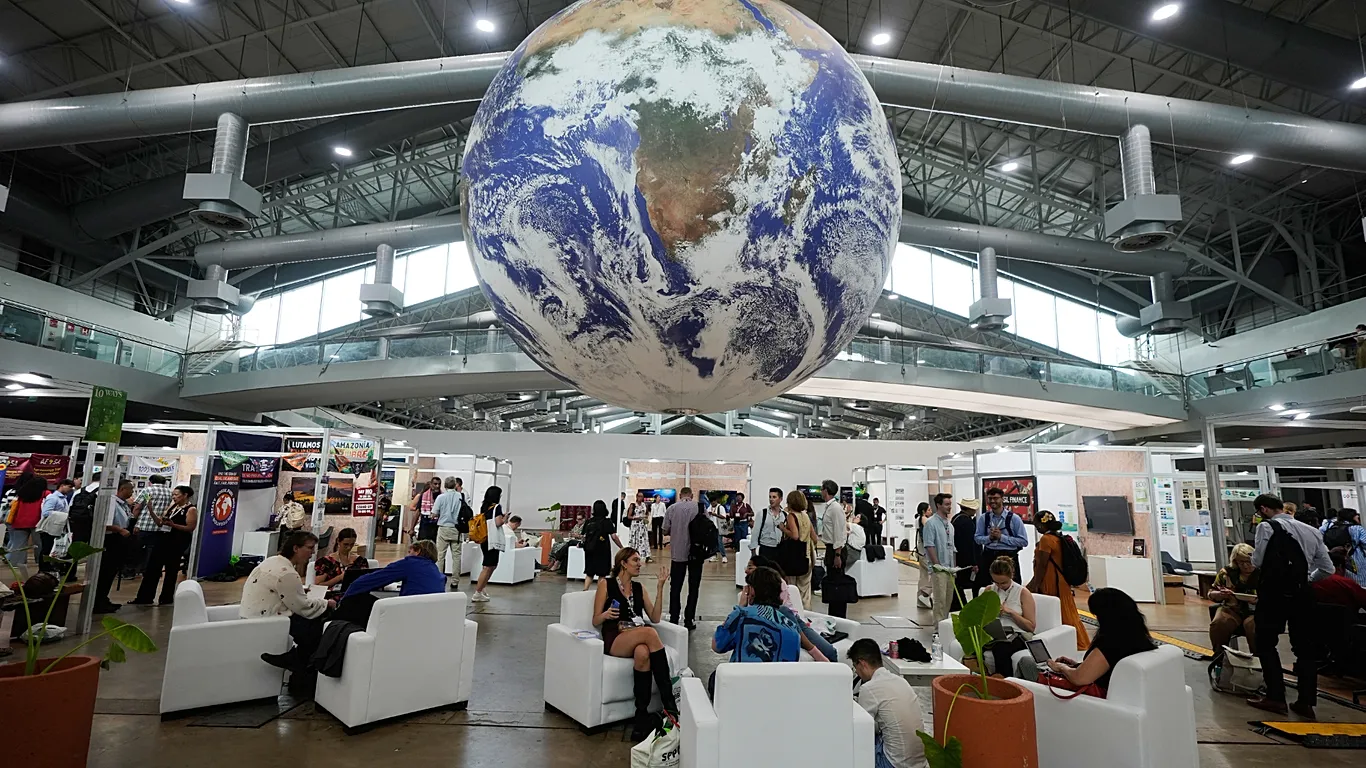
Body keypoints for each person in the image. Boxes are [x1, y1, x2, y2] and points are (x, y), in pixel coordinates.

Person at [1246, 493, 1333, 719]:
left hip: (1274, 593)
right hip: (1303, 594)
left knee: (1266, 642)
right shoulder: (1312, 530)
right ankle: (1306, 702)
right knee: (1305, 648)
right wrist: (1305, 579)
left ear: (1263, 509)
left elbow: (1257, 561)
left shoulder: (1266, 527)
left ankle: (1275, 697)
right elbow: (1328, 569)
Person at [594, 547, 673, 739]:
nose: (640, 564)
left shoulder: (639, 588)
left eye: (639, 560)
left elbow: (655, 617)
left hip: (636, 635)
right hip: (615, 637)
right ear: (623, 563)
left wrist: (660, 588)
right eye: (635, 560)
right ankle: (670, 705)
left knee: (643, 653)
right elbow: (595, 620)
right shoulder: (606, 584)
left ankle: (641, 716)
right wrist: (605, 614)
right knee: (649, 633)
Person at [245, 531, 336, 681]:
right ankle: (300, 664)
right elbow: (303, 607)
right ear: (296, 548)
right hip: (270, 619)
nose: (313, 553)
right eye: (309, 548)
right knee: (320, 625)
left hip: (254, 614)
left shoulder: (271, 561)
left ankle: (299, 662)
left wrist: (299, 591)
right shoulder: (287, 573)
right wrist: (326, 603)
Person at [1042, 587, 1156, 695]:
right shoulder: (1137, 637)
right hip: (1124, 694)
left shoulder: (1109, 643)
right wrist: (1077, 665)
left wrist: (1061, 668)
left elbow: (1079, 678)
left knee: (1034, 670)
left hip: (1097, 699)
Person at [713, 566, 817, 673]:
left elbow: (717, 646)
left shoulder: (741, 616)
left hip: (741, 680)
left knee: (715, 676)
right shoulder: (792, 628)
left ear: (752, 591)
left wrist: (740, 607)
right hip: (777, 682)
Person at [848, 639, 929, 768]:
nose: (856, 672)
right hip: (919, 762)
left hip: (894, 764)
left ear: (862, 663)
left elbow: (863, 729)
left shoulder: (868, 688)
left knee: (851, 743)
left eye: (855, 667)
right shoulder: (900, 681)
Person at [744, 555, 833, 662]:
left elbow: (781, 613)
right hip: (772, 624)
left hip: (788, 620)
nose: (746, 571)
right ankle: (814, 651)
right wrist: (743, 603)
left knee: (829, 651)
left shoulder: (777, 583)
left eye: (750, 567)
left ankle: (818, 655)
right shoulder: (749, 589)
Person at [337, 539, 446, 624]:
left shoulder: (410, 563)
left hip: (407, 615)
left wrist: (347, 594)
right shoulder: (437, 572)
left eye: (410, 552)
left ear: (417, 551)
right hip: (428, 616)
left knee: (357, 600)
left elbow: (374, 579)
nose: (407, 555)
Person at [1026, 511, 1089, 648]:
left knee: (1054, 612)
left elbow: (1042, 566)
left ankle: (1069, 642)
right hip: (1061, 582)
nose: (1036, 528)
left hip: (1051, 582)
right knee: (1067, 610)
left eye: (1036, 525)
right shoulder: (1058, 537)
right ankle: (1076, 640)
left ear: (1041, 525)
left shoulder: (1046, 539)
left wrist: (1034, 584)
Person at [130, 484, 198, 606]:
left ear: (185, 495)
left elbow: (190, 527)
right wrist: (151, 511)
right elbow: (160, 523)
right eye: (173, 495)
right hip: (162, 538)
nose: (174, 497)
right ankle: (145, 597)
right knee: (152, 568)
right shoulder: (172, 507)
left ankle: (166, 598)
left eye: (176, 495)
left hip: (177, 542)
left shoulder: (191, 509)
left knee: (171, 570)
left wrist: (173, 525)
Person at [982, 556, 1036, 675]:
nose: (1000, 586)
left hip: (1018, 634)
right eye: (996, 582)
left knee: (1001, 648)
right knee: (974, 645)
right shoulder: (989, 590)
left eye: (1003, 583)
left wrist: (1010, 612)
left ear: (1011, 575)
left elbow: (1031, 627)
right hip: (994, 633)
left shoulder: (1023, 593)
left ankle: (1005, 681)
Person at [91, 480, 137, 614]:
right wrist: (119, 529)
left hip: (119, 540)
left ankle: (103, 598)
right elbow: (104, 522)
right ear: (122, 489)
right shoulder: (111, 502)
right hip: (110, 540)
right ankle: (98, 602)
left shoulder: (123, 504)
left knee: (111, 571)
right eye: (130, 489)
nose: (132, 492)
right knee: (105, 571)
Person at [662, 486, 704, 629]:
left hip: (678, 553)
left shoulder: (671, 508)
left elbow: (665, 530)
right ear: (691, 495)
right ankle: (689, 619)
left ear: (680, 495)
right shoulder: (699, 507)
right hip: (696, 553)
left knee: (675, 587)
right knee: (694, 587)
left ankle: (674, 618)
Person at [1207, 542, 1259, 655]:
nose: (1245, 566)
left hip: (1257, 611)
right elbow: (1211, 593)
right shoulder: (1226, 573)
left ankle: (1259, 658)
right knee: (1219, 623)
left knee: (1253, 626)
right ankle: (1219, 656)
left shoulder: (1263, 573)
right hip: (1232, 609)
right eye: (1241, 562)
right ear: (1235, 562)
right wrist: (1219, 594)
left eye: (1248, 562)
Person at [974, 487, 1027, 587]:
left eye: (995, 498)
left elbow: (1023, 541)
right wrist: (989, 538)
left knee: (1011, 587)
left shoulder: (1014, 518)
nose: (992, 501)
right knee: (986, 587)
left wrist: (1001, 537)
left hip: (1008, 557)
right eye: (990, 498)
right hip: (989, 556)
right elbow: (977, 538)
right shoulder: (984, 518)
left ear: (1002, 499)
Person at [817, 479, 849, 618]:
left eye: (821, 489)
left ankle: (839, 615)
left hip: (836, 550)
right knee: (832, 583)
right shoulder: (829, 507)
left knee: (837, 585)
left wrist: (837, 555)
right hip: (831, 549)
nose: (820, 491)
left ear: (826, 490)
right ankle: (833, 614)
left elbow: (839, 532)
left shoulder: (835, 508)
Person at [129, 474, 173, 576]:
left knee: (137, 549)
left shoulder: (148, 490)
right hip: (160, 526)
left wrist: (133, 522)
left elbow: (138, 507)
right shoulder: (169, 492)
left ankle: (132, 571)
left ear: (151, 481)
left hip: (144, 524)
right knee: (152, 550)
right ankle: (148, 571)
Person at [922, 493, 956, 625]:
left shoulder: (950, 525)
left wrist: (953, 568)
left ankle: (944, 626)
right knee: (940, 600)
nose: (949, 507)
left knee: (948, 600)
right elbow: (929, 545)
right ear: (938, 505)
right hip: (939, 569)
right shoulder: (931, 524)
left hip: (950, 569)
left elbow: (952, 548)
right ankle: (938, 628)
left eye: (950, 504)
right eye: (946, 504)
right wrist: (937, 565)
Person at [781, 490, 818, 608]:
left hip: (793, 557)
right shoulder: (805, 516)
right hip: (807, 557)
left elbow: (795, 536)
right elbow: (815, 538)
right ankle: (806, 611)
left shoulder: (791, 516)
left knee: (792, 588)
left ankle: (795, 612)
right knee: (805, 590)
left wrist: (783, 528)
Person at [471, 486, 508, 603]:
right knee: (489, 566)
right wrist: (505, 518)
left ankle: (481, 588)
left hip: (484, 538)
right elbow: (498, 522)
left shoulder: (484, 507)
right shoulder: (497, 507)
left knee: (488, 565)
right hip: (492, 539)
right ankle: (478, 592)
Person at [581, 500, 624, 590]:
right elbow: (614, 537)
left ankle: (585, 590)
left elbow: (583, 536)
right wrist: (621, 547)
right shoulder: (607, 522)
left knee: (589, 573)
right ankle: (599, 592)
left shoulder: (588, 522)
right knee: (602, 574)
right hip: (602, 550)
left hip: (590, 550)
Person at [432, 477, 465, 590]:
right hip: (457, 529)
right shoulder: (461, 496)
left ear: (445, 486)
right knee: (457, 556)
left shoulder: (441, 497)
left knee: (440, 555)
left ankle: (439, 579)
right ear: (455, 485)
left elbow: (434, 513)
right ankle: (455, 581)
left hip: (443, 528)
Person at [313, 527, 365, 600]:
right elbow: (318, 586)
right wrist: (339, 577)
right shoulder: (326, 562)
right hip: (332, 596)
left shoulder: (360, 561)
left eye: (352, 544)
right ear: (338, 541)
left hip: (354, 595)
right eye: (345, 544)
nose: (349, 547)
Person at [1321, 507, 1366, 588]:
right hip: (1355, 562)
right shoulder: (1356, 528)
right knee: (1359, 586)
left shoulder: (1329, 527)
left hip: (1336, 562)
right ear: (1351, 516)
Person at [36, 478, 74, 569]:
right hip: (49, 527)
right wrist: (63, 516)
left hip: (57, 527)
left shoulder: (63, 498)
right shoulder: (53, 498)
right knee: (46, 548)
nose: (70, 489)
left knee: (51, 548)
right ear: (62, 486)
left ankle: (49, 565)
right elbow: (46, 512)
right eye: (69, 487)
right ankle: (43, 567)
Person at [951, 498, 981, 608]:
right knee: (968, 583)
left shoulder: (956, 518)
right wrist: (974, 562)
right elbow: (970, 544)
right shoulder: (967, 522)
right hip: (966, 559)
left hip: (957, 556)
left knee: (958, 582)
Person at [750, 487, 787, 561]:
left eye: (774, 497)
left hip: (780, 549)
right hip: (765, 548)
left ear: (780, 499)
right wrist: (753, 551)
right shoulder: (762, 513)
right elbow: (755, 532)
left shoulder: (785, 515)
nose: (771, 499)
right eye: (770, 497)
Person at [408, 476, 442, 544]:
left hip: (437, 524)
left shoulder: (442, 497)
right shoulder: (423, 495)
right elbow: (418, 512)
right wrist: (412, 528)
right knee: (423, 545)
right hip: (425, 523)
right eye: (435, 484)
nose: (437, 486)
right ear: (431, 485)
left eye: (439, 484)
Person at [913, 501, 933, 609]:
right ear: (923, 511)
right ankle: (925, 594)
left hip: (920, 552)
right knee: (936, 573)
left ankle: (920, 600)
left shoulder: (917, 519)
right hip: (925, 552)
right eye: (929, 509)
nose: (931, 511)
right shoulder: (924, 519)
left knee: (923, 576)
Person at [626, 490, 652, 561]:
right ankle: (632, 554)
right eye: (639, 496)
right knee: (634, 540)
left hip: (642, 526)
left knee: (644, 540)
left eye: (642, 496)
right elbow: (629, 516)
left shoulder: (644, 505)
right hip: (635, 525)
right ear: (637, 497)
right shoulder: (633, 505)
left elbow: (647, 513)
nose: (641, 498)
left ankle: (646, 555)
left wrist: (645, 518)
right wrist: (637, 517)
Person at [709, 496, 731, 564]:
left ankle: (724, 556)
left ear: (716, 501)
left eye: (714, 502)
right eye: (711, 502)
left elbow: (724, 516)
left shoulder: (720, 507)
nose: (712, 503)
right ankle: (713, 555)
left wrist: (715, 515)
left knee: (719, 542)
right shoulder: (709, 507)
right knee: (713, 542)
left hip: (719, 527)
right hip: (712, 528)